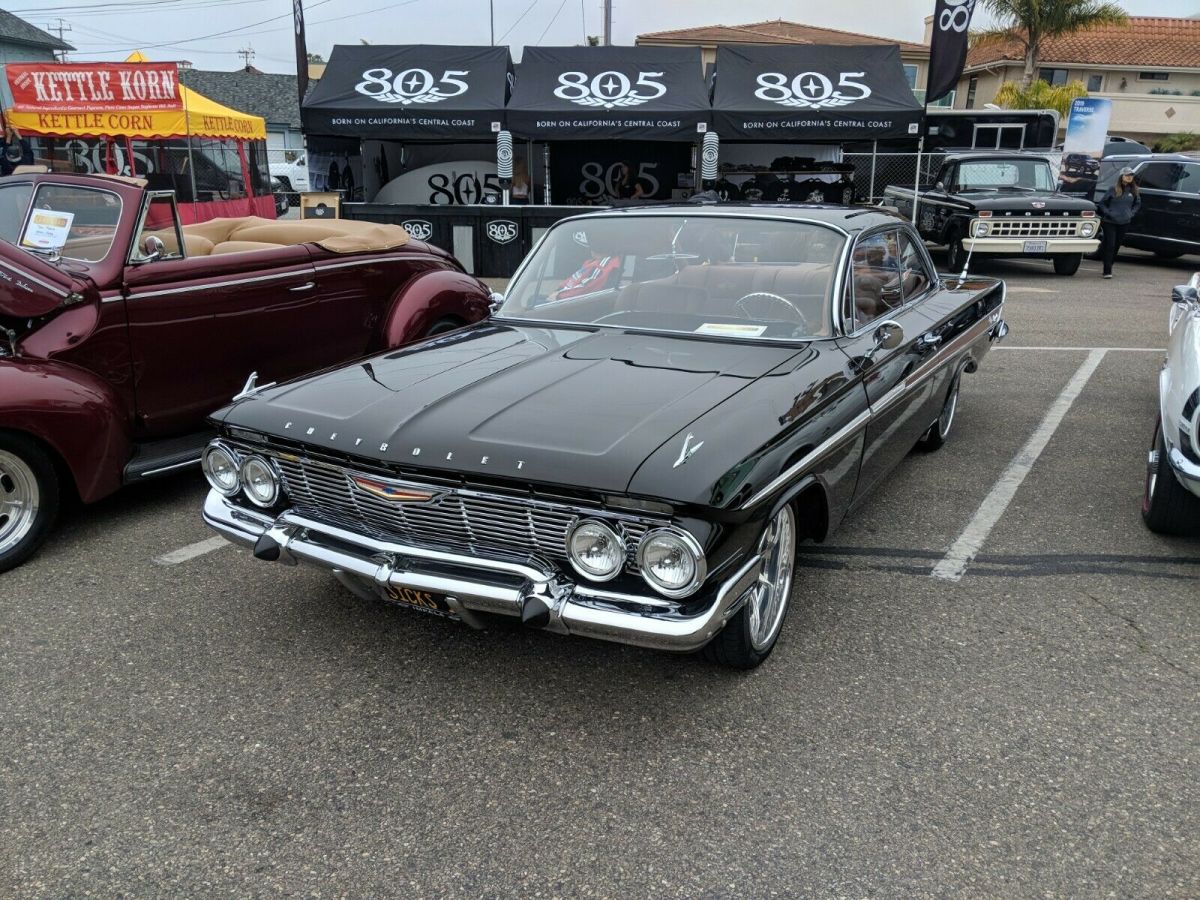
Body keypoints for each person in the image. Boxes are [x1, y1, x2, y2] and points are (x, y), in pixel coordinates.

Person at [1096, 166, 1141, 279]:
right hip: (1110, 222)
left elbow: (1137, 204)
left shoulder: (1134, 190)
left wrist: (1131, 213)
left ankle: (1109, 263)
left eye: (1131, 175)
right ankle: (1107, 270)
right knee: (1110, 245)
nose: (1129, 177)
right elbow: (1102, 203)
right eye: (1127, 175)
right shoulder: (1113, 189)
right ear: (1121, 176)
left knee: (1116, 245)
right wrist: (1108, 213)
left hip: (1124, 221)